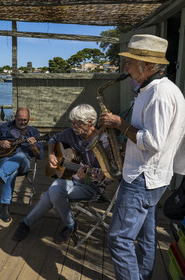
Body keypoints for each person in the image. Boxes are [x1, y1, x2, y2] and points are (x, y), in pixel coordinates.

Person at [98, 34, 185, 280]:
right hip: (154, 176)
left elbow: (152, 142)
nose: (125, 67)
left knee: (119, 239)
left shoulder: (158, 94)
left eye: (130, 62)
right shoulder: (158, 90)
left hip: (141, 178)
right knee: (147, 236)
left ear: (148, 66)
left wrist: (119, 124)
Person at [12, 104, 112, 243]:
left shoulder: (104, 142)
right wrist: (51, 155)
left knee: (53, 193)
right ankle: (69, 225)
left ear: (89, 122)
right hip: (70, 176)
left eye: (76, 123)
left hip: (91, 186)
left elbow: (109, 175)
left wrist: (92, 177)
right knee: (55, 191)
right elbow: (53, 139)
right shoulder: (73, 133)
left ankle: (28, 223)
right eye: (72, 123)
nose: (73, 126)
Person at [0, 107, 44, 222]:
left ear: (28, 119)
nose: (23, 122)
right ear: (15, 117)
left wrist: (33, 146)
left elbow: (40, 155)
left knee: (21, 156)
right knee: (11, 173)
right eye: (20, 120)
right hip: (5, 159)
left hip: (24, 163)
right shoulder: (4, 127)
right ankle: (5, 208)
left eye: (25, 120)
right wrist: (0, 142)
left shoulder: (33, 132)